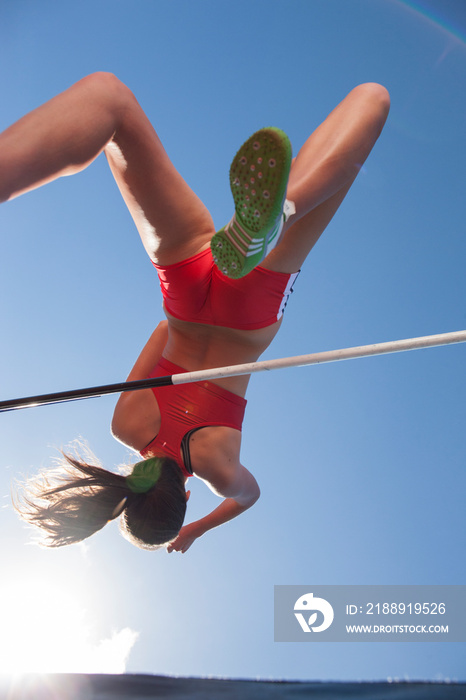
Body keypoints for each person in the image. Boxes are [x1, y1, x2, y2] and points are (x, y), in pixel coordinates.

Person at [2, 73, 390, 553]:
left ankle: (286, 211)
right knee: (111, 103)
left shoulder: (218, 468)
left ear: (185, 496)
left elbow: (249, 497)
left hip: (250, 310)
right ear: (131, 485)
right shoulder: (126, 424)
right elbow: (163, 329)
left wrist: (198, 530)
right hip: (183, 293)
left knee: (372, 100)